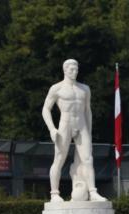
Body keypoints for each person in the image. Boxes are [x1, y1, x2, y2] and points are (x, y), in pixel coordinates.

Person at [42, 59, 106, 202]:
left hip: (81, 124)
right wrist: (52, 129)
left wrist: (89, 131)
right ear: (65, 70)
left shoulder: (84, 89)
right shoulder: (57, 88)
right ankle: (54, 193)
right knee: (59, 159)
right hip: (65, 124)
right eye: (71, 69)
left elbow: (88, 111)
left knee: (88, 159)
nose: (74, 72)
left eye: (76, 69)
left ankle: (93, 191)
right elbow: (46, 109)